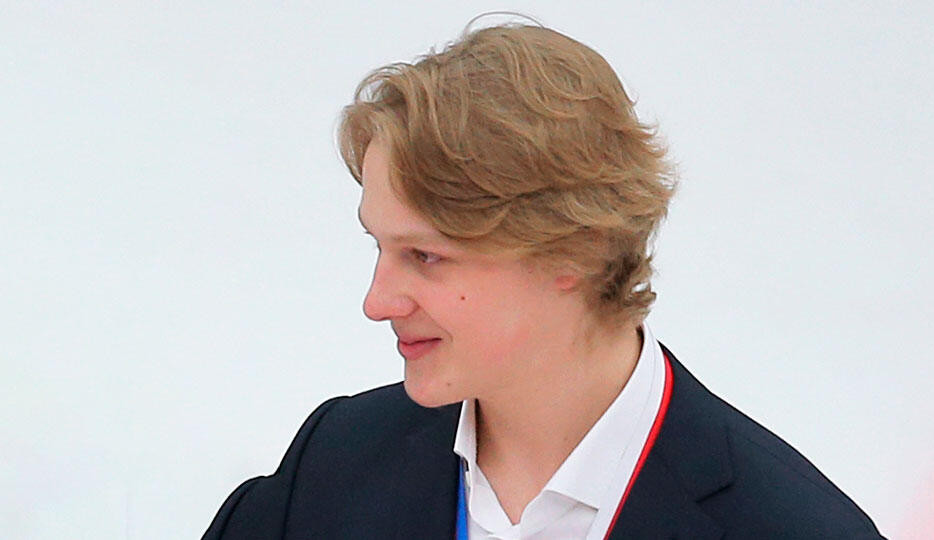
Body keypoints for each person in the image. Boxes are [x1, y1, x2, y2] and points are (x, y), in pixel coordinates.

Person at [203, 21, 885, 539]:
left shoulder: (790, 525)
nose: (376, 302)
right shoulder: (331, 467)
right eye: (379, 247)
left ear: (575, 252)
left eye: (426, 257)